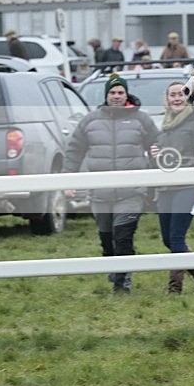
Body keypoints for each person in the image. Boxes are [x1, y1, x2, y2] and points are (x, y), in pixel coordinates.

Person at [63, 73, 160, 293]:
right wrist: (68, 178)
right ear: (106, 95)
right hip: (100, 193)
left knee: (123, 236)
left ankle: (122, 283)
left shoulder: (141, 119)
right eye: (112, 92)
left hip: (131, 192)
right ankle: (114, 267)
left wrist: (157, 156)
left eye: (120, 92)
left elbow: (157, 144)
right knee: (107, 239)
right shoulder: (90, 120)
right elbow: (74, 151)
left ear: (127, 95)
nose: (116, 96)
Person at [150, 82, 194, 294]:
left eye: (181, 94)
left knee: (177, 238)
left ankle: (174, 287)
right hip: (166, 187)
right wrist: (155, 153)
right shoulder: (166, 124)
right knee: (167, 239)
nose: (177, 98)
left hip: (187, 185)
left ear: (187, 97)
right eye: (172, 95)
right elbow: (164, 158)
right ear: (167, 99)